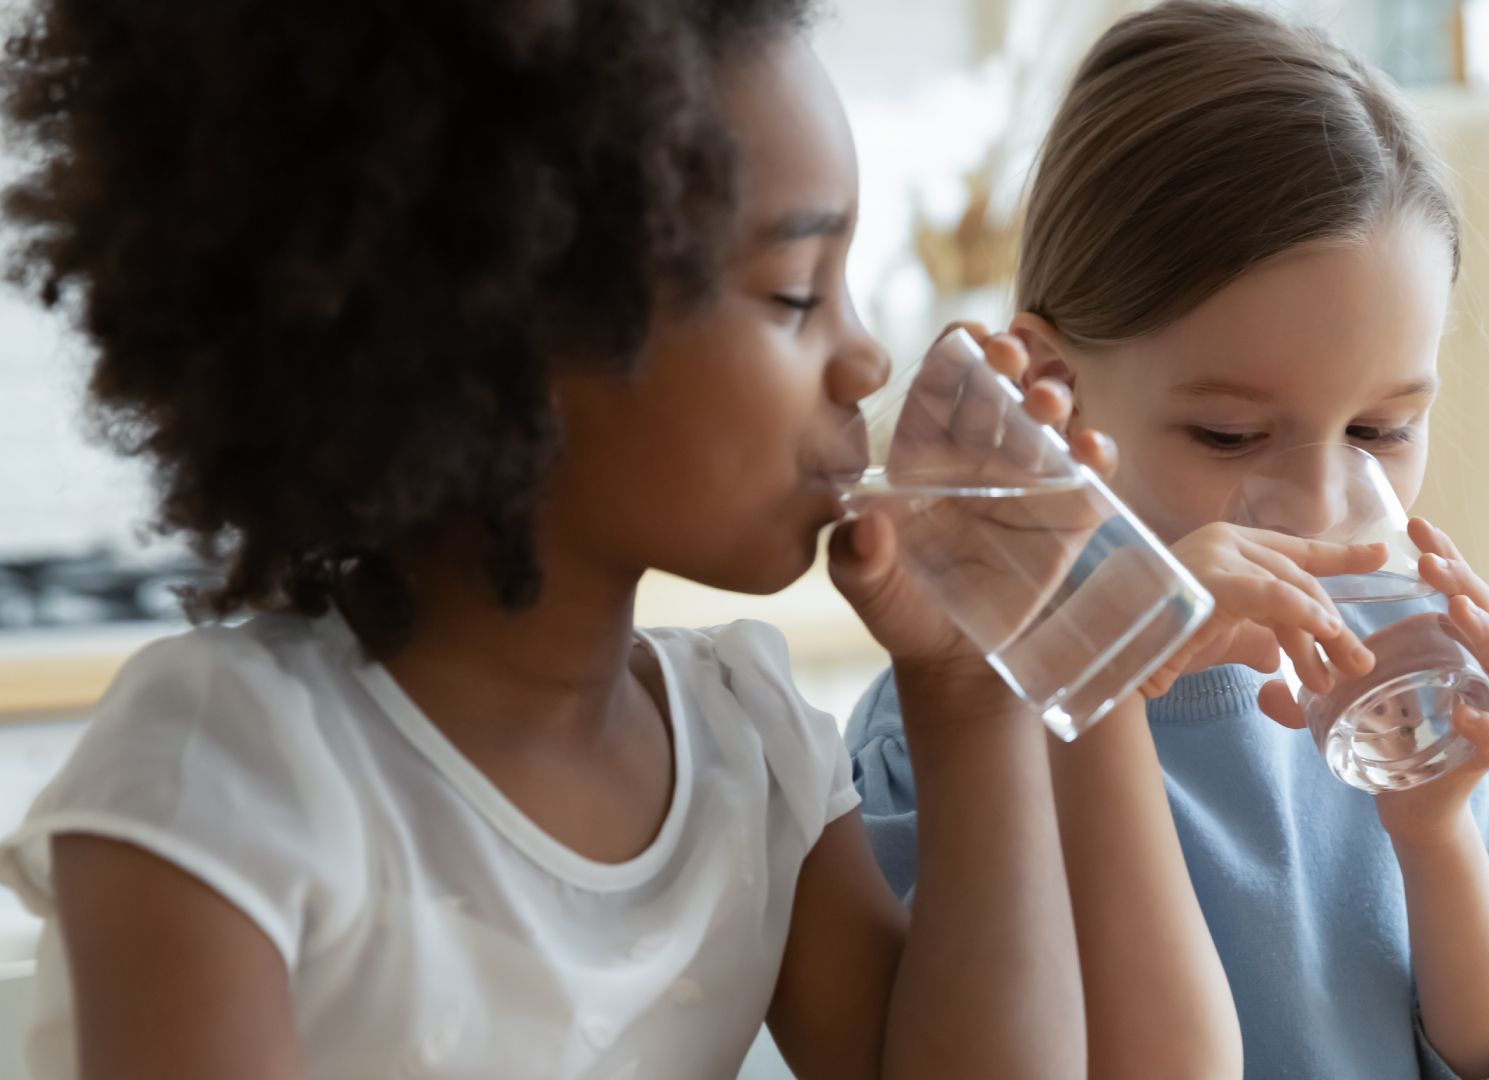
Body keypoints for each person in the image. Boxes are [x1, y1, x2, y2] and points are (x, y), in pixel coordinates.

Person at [0, 1, 1240, 1076]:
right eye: (796, 295)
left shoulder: (748, 756)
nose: (865, 356)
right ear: (508, 340)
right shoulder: (232, 775)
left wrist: (966, 687)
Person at [846, 3, 1489, 1078]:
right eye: (1232, 434)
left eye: (1382, 429)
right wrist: (1102, 650)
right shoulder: (959, 726)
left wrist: (1435, 843)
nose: (1327, 504)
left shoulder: (1405, 712)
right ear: (1051, 394)